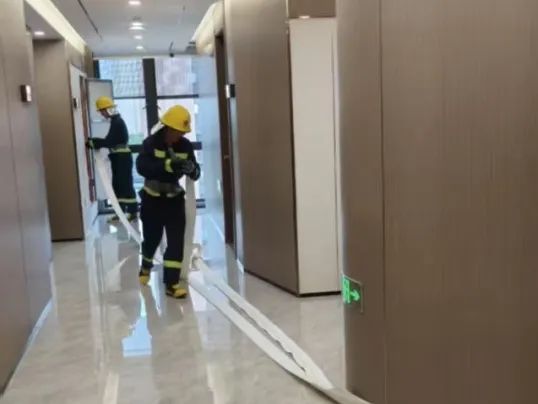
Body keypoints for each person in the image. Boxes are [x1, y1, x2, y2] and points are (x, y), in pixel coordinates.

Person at [136, 105, 201, 299]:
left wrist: (192, 169)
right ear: (167, 128)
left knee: (175, 243)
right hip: (152, 201)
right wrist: (166, 165)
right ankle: (146, 266)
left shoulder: (185, 146)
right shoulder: (150, 143)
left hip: (174, 201)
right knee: (151, 240)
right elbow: (142, 167)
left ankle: (171, 284)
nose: (180, 136)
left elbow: (196, 172)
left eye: (183, 133)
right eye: (177, 132)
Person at [87, 96, 138, 222]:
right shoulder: (116, 122)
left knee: (125, 185)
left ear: (108, 109)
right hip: (119, 158)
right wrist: (96, 142)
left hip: (122, 159)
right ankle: (121, 212)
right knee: (118, 185)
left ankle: (132, 212)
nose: (102, 114)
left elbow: (110, 141)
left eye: (102, 111)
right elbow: (110, 141)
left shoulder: (117, 123)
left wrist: (95, 142)